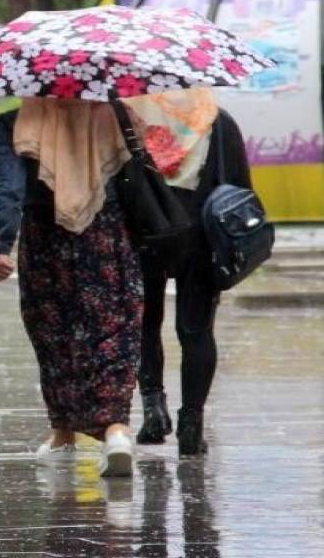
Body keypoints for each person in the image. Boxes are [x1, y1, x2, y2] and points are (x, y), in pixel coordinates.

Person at [0, 98, 141, 478]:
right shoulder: (116, 114)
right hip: (108, 234)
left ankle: (64, 435)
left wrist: (0, 245)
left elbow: (8, 184)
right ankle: (116, 430)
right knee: (113, 330)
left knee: (55, 334)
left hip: (45, 238)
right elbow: (139, 177)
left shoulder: (18, 120)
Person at [129, 90, 252, 456]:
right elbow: (240, 189)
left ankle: (153, 412)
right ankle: (191, 426)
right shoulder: (217, 119)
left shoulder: (129, 120)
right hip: (201, 237)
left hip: (143, 234)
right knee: (196, 330)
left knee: (144, 324)